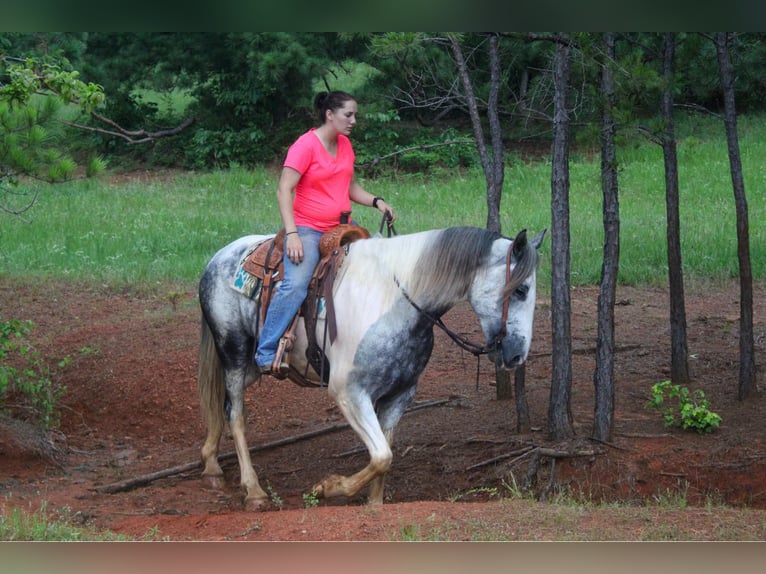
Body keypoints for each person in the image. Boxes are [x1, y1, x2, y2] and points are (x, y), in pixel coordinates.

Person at [255, 90, 395, 377]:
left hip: (343, 227)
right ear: (329, 114)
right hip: (307, 228)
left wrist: (377, 201)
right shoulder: (305, 146)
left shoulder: (345, 145)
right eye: (348, 114)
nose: (353, 120)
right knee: (295, 285)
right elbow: (284, 190)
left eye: (355, 115)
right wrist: (292, 234)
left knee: (376, 270)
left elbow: (349, 187)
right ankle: (265, 350)